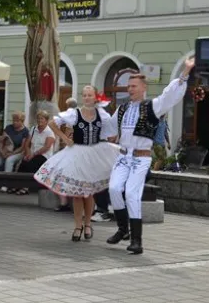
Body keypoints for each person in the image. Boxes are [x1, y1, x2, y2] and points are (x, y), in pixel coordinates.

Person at [105, 57, 194, 255]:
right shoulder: (122, 109)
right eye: (128, 86)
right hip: (122, 156)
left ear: (143, 88)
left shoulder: (152, 106)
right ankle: (122, 229)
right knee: (113, 188)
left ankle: (137, 240)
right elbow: (108, 128)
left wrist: (185, 73)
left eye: (134, 86)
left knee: (131, 194)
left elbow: (169, 96)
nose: (130, 89)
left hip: (141, 158)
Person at [33, 86, 120, 241]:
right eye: (84, 95)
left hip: (94, 153)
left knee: (90, 192)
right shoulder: (74, 113)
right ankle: (78, 225)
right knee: (78, 193)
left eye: (90, 95)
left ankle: (87, 224)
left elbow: (111, 129)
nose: (87, 98)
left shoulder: (101, 113)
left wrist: (109, 141)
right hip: (77, 153)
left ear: (95, 97)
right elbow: (53, 123)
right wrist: (65, 138)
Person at [15, 110, 55, 195]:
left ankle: (25, 187)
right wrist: (28, 153)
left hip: (43, 156)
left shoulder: (49, 132)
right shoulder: (33, 129)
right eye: (38, 118)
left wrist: (33, 154)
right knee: (23, 164)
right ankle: (17, 185)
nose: (40, 120)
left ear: (46, 120)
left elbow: (46, 148)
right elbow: (27, 143)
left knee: (30, 164)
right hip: (32, 154)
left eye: (42, 118)